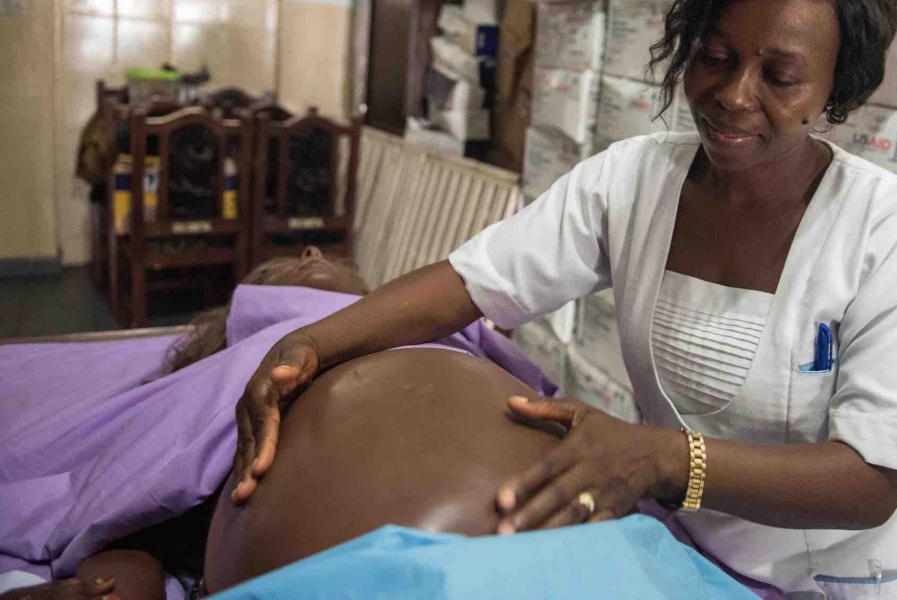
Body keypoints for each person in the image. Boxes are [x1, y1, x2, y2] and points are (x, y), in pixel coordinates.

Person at [232, 0, 897, 597]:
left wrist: (667, 460)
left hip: (835, 583)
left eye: (780, 76)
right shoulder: (634, 180)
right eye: (715, 55)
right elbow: (472, 283)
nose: (734, 94)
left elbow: (871, 483)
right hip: (687, 557)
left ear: (835, 88)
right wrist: (308, 347)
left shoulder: (891, 231)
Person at [0, 249, 559, 600]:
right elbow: (142, 508)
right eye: (280, 268)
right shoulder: (235, 371)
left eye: (328, 257)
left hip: (536, 524)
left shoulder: (445, 324)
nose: (312, 250)